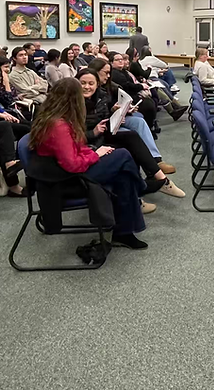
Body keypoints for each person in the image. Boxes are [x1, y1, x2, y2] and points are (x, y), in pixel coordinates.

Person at [31, 80, 148, 248]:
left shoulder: (54, 118)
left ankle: (124, 232)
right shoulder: (58, 126)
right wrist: (95, 156)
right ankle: (142, 187)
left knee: (123, 175)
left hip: (64, 173)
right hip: (65, 181)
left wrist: (93, 153)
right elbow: (72, 165)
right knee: (122, 155)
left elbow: (78, 148)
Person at [78, 69, 183, 197]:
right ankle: (141, 191)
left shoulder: (100, 97)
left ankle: (159, 178)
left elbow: (102, 121)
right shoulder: (73, 103)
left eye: (90, 83)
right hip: (88, 144)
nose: (87, 87)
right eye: (83, 83)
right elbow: (72, 137)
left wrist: (117, 116)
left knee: (132, 136)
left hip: (100, 135)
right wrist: (93, 133)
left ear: (96, 84)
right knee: (128, 147)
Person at [87, 58, 170, 167]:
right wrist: (114, 112)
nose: (108, 76)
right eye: (106, 73)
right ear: (95, 71)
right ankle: (152, 166)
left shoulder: (109, 85)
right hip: (105, 124)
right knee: (132, 133)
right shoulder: (92, 91)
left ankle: (156, 159)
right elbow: (99, 115)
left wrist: (124, 109)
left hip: (114, 118)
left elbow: (110, 104)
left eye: (109, 73)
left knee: (139, 121)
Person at [110, 51, 161, 133]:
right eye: (117, 60)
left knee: (152, 97)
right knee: (149, 104)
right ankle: (150, 126)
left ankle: (151, 125)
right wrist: (141, 86)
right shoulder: (114, 73)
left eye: (121, 59)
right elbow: (127, 86)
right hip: (127, 96)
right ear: (112, 63)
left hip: (133, 93)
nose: (120, 61)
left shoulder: (123, 71)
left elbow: (133, 81)